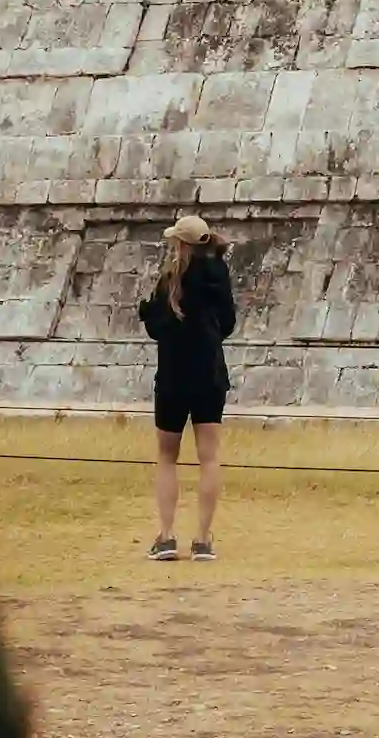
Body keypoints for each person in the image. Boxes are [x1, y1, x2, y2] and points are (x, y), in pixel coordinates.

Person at [137, 214, 237, 561]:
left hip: (173, 375)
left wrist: (147, 312)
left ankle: (166, 536)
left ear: (180, 243)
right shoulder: (218, 275)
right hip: (208, 373)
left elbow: (157, 327)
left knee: (167, 457)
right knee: (209, 457)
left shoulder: (169, 279)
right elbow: (228, 323)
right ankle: (204, 539)